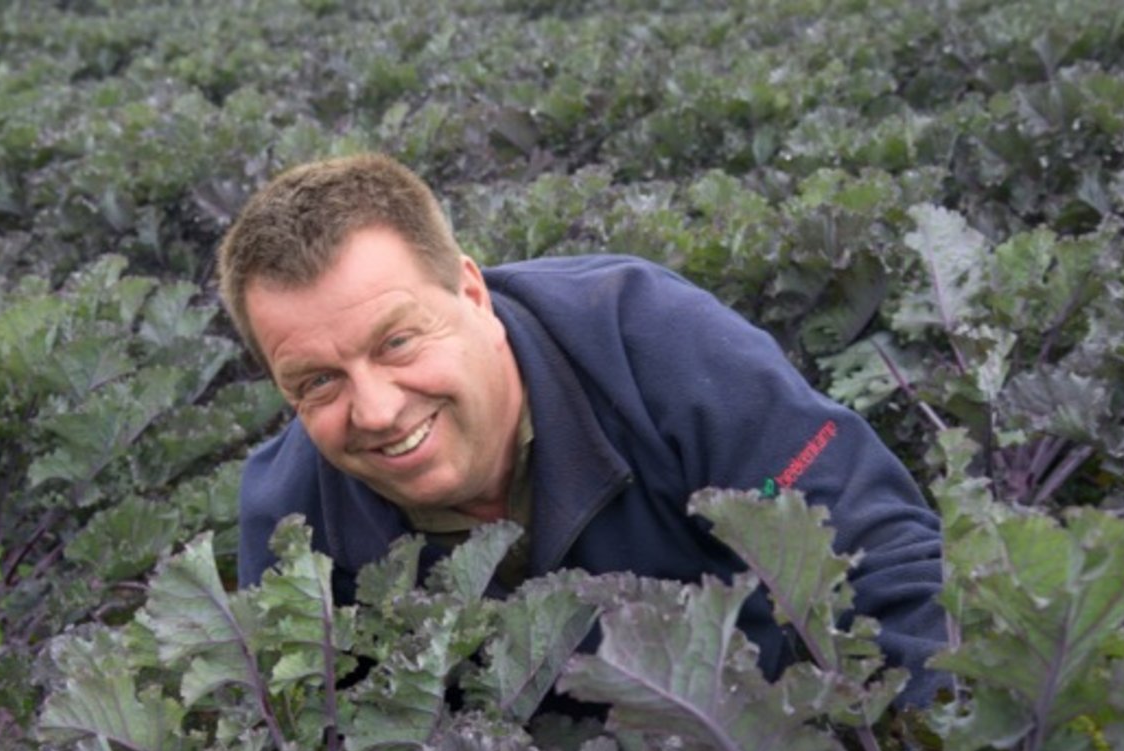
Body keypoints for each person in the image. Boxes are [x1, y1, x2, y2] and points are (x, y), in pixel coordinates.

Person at [219, 153, 946, 705]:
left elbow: (880, 558)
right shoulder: (291, 526)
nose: (377, 410)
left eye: (397, 342)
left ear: (472, 294)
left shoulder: (651, 339)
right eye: (318, 382)